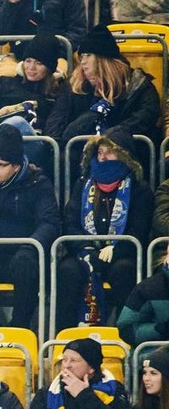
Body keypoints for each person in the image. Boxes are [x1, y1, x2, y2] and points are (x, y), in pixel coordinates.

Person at [56, 128, 151, 327]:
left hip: (120, 255)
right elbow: (70, 222)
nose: (103, 158)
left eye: (109, 152)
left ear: (124, 156)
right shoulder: (83, 184)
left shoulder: (139, 188)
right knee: (67, 270)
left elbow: (139, 230)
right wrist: (85, 248)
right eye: (99, 153)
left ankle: (124, 334)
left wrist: (116, 249)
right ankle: (64, 336)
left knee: (124, 270)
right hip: (85, 252)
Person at [47, 26, 162, 154]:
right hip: (77, 155)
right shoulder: (73, 85)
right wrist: (57, 152)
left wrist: (107, 139)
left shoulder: (137, 85)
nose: (83, 62)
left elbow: (145, 118)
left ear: (103, 58)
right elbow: (56, 122)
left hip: (123, 154)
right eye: (81, 56)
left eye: (88, 55)